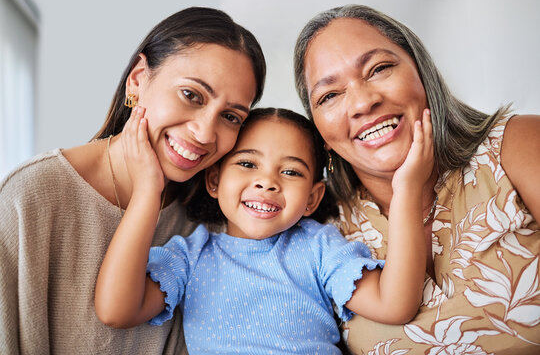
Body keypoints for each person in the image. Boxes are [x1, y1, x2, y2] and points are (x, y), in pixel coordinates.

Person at [0, 7, 266, 354]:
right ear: (138, 79)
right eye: (191, 95)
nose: (204, 133)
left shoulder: (214, 222)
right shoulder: (31, 195)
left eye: (230, 116)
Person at [294, 4, 540, 355]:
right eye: (329, 95)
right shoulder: (323, 234)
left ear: (422, 72)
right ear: (319, 131)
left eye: (378, 69)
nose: (363, 103)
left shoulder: (519, 145)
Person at [95, 106, 434, 354]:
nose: (267, 182)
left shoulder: (319, 247)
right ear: (214, 180)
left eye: (291, 172)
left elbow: (395, 304)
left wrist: (407, 191)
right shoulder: (190, 255)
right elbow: (116, 310)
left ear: (313, 199)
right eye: (247, 164)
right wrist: (146, 195)